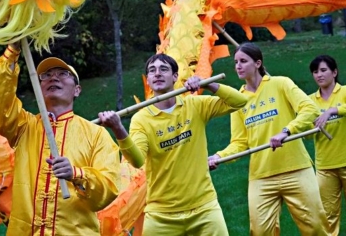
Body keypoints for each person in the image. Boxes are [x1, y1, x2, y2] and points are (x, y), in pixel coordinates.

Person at [98, 52, 248, 235]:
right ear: (148, 81)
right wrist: (118, 129)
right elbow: (136, 161)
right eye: (152, 71)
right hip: (161, 215)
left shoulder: (194, 105)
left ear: (175, 76)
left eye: (164, 69)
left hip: (204, 208)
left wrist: (208, 84)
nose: (157, 73)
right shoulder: (141, 119)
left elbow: (239, 102)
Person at [0, 44, 120, 235]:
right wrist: (12, 51)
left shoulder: (96, 134)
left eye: (62, 73)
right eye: (46, 75)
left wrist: (76, 173)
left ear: (77, 90)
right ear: (39, 88)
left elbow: (109, 189)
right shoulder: (23, 127)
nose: (53, 77)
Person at [208, 42, 329, 236]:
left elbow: (310, 110)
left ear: (257, 63)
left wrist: (286, 131)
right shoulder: (238, 100)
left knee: (316, 227)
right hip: (261, 177)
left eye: (243, 61)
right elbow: (239, 143)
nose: (238, 66)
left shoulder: (281, 83)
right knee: (260, 231)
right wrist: (218, 156)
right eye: (236, 62)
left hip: (296, 169)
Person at [309, 55, 346, 236]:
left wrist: (334, 110)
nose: (319, 75)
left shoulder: (344, 92)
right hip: (325, 166)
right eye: (315, 72)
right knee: (328, 216)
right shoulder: (309, 101)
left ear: (334, 72)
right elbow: (305, 129)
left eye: (323, 70)